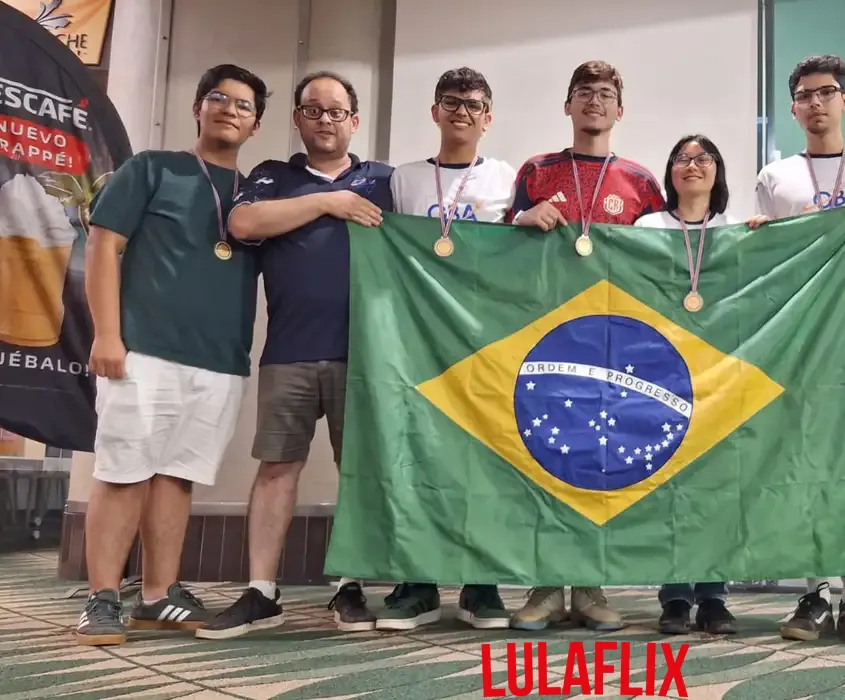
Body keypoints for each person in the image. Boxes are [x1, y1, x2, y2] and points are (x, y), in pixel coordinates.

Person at [74, 64, 268, 646]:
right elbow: (103, 247)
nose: (229, 109)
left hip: (221, 359)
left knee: (178, 476)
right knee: (122, 472)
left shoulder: (256, 194)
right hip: (144, 350)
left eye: (243, 105)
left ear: (256, 124)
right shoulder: (152, 167)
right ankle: (103, 597)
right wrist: (107, 335)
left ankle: (158, 595)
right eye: (218, 98)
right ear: (198, 108)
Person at [195, 71, 393, 640]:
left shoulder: (384, 180)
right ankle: (262, 590)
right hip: (290, 349)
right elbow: (242, 223)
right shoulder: (272, 176)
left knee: (360, 471)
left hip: (369, 355)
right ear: (297, 119)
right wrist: (330, 201)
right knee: (277, 467)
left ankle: (350, 583)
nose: (325, 120)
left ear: (354, 120)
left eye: (336, 111)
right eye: (313, 110)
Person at [506, 60, 666, 631]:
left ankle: (592, 587)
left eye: (605, 94)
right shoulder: (536, 171)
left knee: (599, 460)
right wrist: (522, 216)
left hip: (614, 344)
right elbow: (498, 246)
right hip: (547, 338)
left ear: (620, 109)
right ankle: (547, 586)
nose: (594, 101)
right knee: (547, 457)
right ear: (567, 105)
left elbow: (667, 260)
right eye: (583, 92)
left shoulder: (642, 182)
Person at [752, 55, 845, 645]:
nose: (816, 102)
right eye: (805, 95)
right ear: (792, 108)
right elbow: (766, 262)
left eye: (827, 92)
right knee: (806, 465)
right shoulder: (775, 177)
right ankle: (814, 592)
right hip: (800, 340)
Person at [376, 67, 516, 631]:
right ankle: (418, 583)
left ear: (488, 117)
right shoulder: (403, 179)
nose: (462, 111)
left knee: (483, 460)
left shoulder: (507, 178)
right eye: (451, 102)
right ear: (435, 111)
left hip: (484, 341)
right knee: (417, 456)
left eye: (474, 104)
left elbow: (522, 250)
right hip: (417, 338)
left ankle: (481, 584)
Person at [637, 134, 739, 636]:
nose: (692, 165)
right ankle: (675, 595)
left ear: (718, 170)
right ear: (670, 171)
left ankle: (714, 596)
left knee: (717, 483)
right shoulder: (647, 227)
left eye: (703, 158)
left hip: (719, 371)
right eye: (682, 157)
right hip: (662, 367)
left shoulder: (736, 229)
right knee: (671, 482)